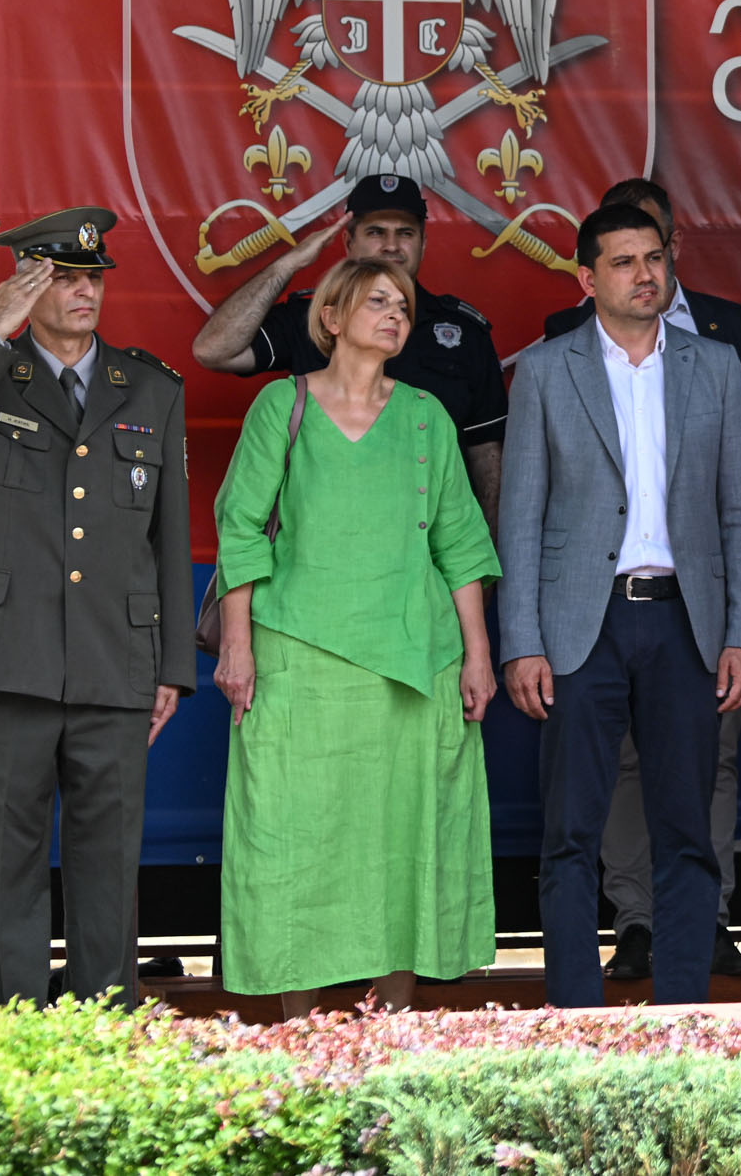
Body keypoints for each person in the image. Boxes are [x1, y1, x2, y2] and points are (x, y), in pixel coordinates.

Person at [211, 256, 502, 1014]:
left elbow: (460, 543)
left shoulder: (426, 416)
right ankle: (299, 1033)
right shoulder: (283, 406)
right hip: (297, 661)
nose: (395, 314)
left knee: (399, 844)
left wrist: (477, 653)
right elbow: (240, 528)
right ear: (332, 318)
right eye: (377, 301)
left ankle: (392, 1029)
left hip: (413, 664)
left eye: (403, 304)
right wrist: (237, 647)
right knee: (292, 834)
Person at [498, 203, 741, 1007]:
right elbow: (520, 517)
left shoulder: (714, 365)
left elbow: (740, 512)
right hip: (583, 624)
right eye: (623, 261)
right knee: (571, 830)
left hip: (687, 619)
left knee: (686, 828)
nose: (644, 273)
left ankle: (680, 1005)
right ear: (587, 278)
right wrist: (521, 641)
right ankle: (577, 1007)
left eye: (654, 257)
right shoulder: (547, 369)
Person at [0, 209, 191, 1005]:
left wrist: (174, 668)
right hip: (7, 656)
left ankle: (101, 1041)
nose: (84, 291)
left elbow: (169, 534)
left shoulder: (149, 386)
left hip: (115, 660)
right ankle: (15, 1042)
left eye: (93, 278)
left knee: (107, 865)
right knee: (6, 861)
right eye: (63, 277)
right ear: (26, 283)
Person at [190, 175, 506, 518]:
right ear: (347, 242)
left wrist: (487, 558)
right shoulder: (309, 316)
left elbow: (486, 453)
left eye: (405, 233)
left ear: (424, 243)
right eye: (375, 232)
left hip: (427, 546)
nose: (391, 245)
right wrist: (290, 263)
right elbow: (213, 350)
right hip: (324, 535)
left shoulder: (463, 332)